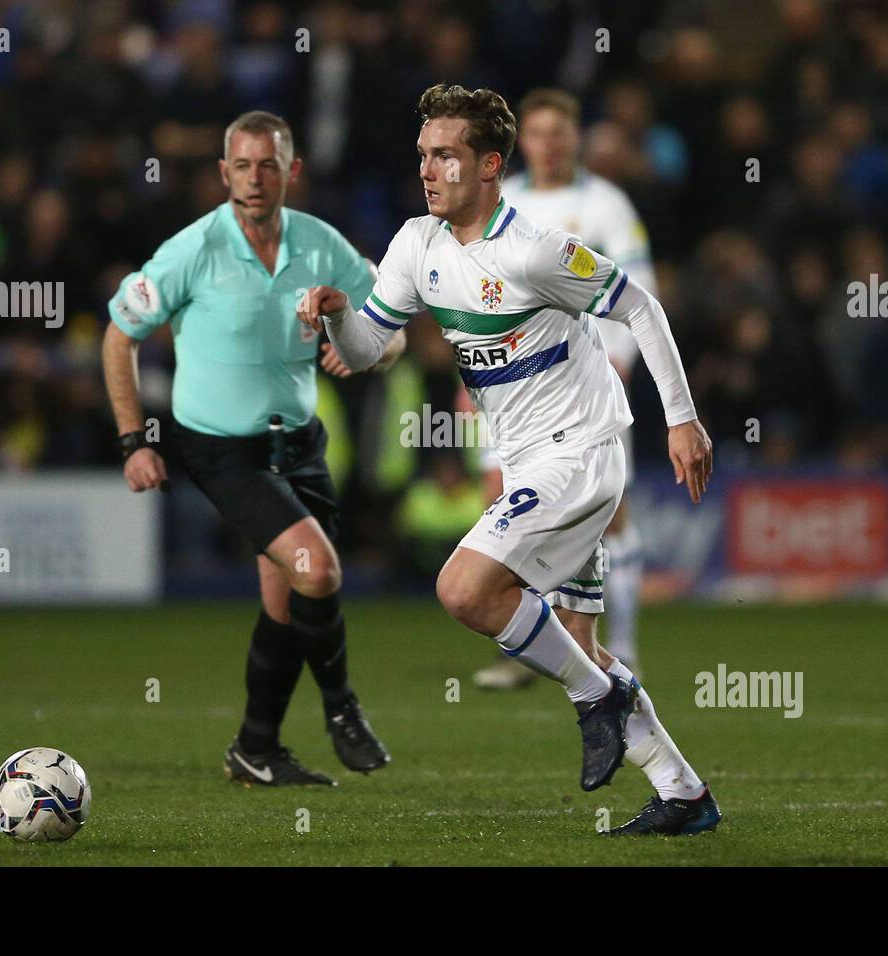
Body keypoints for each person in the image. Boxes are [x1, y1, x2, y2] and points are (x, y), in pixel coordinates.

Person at [298, 85, 719, 835]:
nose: (428, 169)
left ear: (490, 165)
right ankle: (681, 789)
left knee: (463, 589)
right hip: (528, 461)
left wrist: (682, 421)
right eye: (424, 154)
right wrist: (337, 311)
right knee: (581, 643)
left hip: (583, 452)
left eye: (446, 156)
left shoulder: (537, 250)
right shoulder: (415, 244)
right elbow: (364, 350)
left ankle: (596, 700)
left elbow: (640, 308)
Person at [102, 111, 404, 787]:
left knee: (289, 603)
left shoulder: (323, 246)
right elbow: (118, 336)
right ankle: (343, 710)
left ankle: (255, 749)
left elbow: (393, 334)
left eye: (268, 165)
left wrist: (360, 345)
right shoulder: (192, 250)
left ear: (291, 171)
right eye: (241, 165)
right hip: (222, 450)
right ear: (223, 173)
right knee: (319, 573)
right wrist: (132, 442)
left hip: (297, 445)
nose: (255, 179)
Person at [474, 86, 655, 690]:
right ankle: (528, 649)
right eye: (537, 132)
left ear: (575, 137)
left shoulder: (606, 205)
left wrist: (620, 362)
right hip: (507, 388)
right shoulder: (506, 201)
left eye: (559, 132)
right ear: (521, 140)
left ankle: (616, 646)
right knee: (503, 509)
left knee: (610, 518)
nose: (548, 144)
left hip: (584, 389)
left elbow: (638, 290)